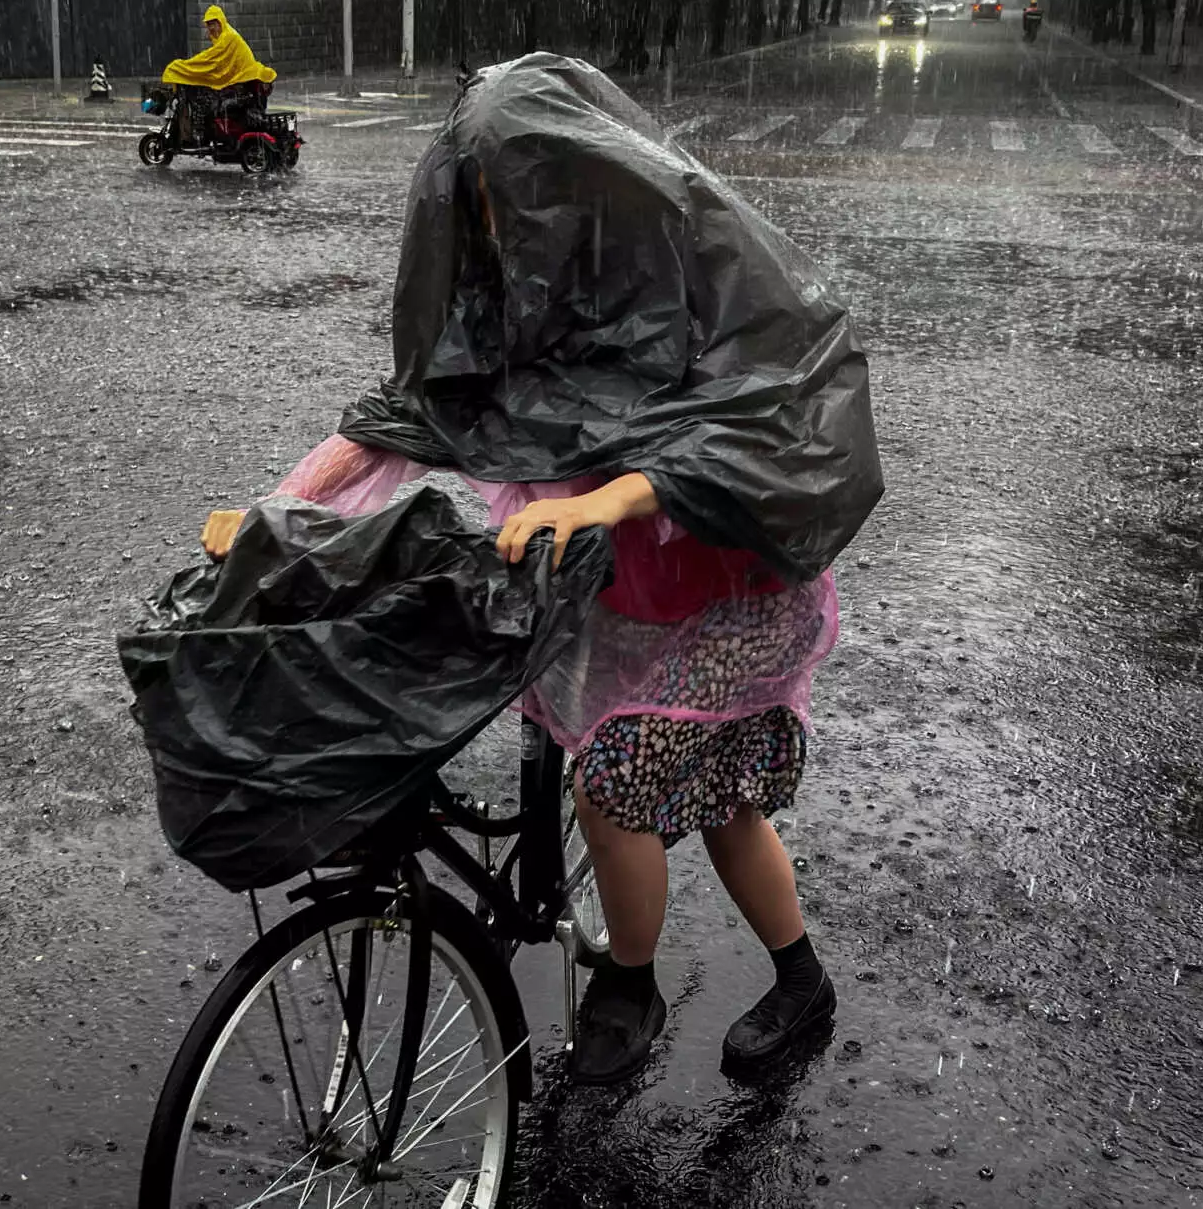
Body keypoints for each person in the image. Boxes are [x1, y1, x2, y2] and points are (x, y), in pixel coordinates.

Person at [200, 54, 884, 1087]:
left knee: (650, 795)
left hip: (711, 582)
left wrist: (626, 491)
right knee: (683, 795)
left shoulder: (686, 256)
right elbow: (416, 415)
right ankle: (776, 971)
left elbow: (773, 413)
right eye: (477, 193)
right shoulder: (508, 275)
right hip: (592, 573)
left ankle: (645, 982)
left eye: (513, 189)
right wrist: (281, 515)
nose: (496, 214)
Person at [160, 5, 277, 146]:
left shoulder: (228, 38)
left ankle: (200, 136)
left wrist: (183, 67)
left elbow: (210, 60)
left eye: (213, 24)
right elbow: (215, 63)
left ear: (220, 22)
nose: (210, 28)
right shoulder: (227, 36)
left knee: (205, 102)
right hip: (243, 84)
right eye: (208, 25)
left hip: (240, 85)